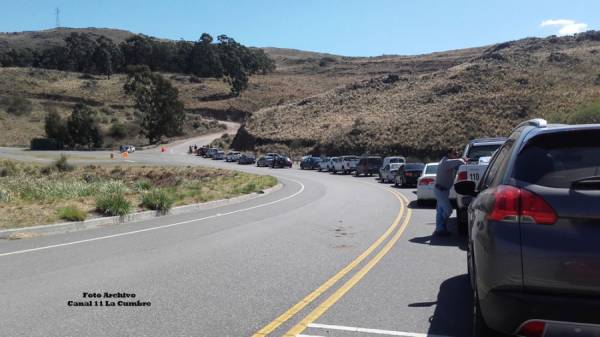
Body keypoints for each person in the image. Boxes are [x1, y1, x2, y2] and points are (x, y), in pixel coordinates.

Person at [434, 148, 465, 236]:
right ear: (448, 154)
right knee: (448, 210)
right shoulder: (446, 162)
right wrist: (463, 159)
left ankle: (440, 229)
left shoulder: (447, 162)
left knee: (440, 211)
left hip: (443, 190)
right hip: (441, 190)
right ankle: (441, 226)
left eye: (457, 153)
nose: (457, 154)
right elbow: (460, 162)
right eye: (455, 153)